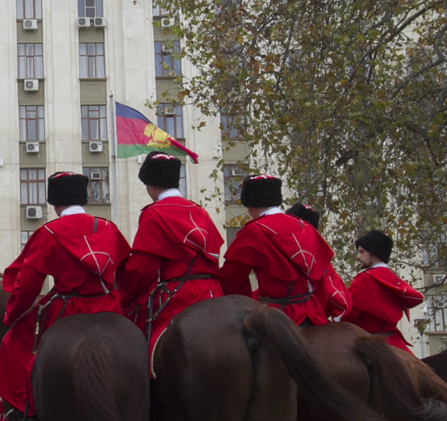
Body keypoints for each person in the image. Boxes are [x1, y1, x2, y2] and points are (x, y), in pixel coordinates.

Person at [0, 171, 130, 421]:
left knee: (14, 343)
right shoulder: (109, 228)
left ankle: (25, 416)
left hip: (68, 309)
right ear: (84, 198)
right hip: (108, 307)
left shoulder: (48, 232)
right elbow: (127, 269)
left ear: (55, 204)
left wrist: (12, 316)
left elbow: (28, 284)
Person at [117, 152, 223, 358]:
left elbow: (142, 269)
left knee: (137, 347)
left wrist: (122, 298)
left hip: (178, 295)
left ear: (152, 185)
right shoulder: (200, 211)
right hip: (212, 294)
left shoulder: (154, 213)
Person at [218, 174, 336, 326]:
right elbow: (320, 276)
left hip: (276, 316)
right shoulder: (305, 226)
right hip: (313, 312)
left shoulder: (253, 231)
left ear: (252, 205)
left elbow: (232, 277)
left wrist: (244, 307)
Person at [341, 229, 425, 351]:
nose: (358, 257)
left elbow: (349, 313)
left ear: (374, 253)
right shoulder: (394, 279)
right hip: (394, 342)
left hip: (368, 343)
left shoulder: (364, 278)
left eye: (362, 252)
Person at [284, 204, 351, 320]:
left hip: (289, 315)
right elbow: (340, 298)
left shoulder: (286, 253)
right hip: (316, 317)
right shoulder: (322, 260)